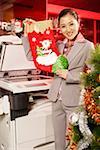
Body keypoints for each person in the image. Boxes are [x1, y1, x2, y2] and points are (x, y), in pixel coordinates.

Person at [48, 8, 94, 150]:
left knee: (73, 142)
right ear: (59, 28)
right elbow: (33, 56)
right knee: (58, 141)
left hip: (73, 101)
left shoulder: (87, 46)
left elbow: (93, 76)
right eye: (63, 26)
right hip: (56, 99)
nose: (68, 29)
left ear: (78, 23)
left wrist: (69, 76)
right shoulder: (59, 45)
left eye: (71, 24)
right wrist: (28, 33)